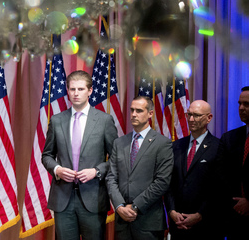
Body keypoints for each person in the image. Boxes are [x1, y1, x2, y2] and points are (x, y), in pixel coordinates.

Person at [41, 70, 118, 240]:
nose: (76, 93)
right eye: (72, 89)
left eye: (81, 89)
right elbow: (46, 155)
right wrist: (57, 169)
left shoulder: (104, 120)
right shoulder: (56, 120)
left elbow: (116, 158)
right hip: (63, 198)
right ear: (67, 91)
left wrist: (96, 171)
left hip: (93, 197)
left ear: (90, 91)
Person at [106, 96, 173, 240]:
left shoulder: (162, 143)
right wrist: (119, 206)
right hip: (122, 220)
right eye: (132, 110)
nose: (134, 114)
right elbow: (111, 177)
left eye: (139, 110)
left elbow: (162, 182)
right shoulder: (119, 142)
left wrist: (135, 206)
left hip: (148, 221)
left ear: (150, 113)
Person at [164, 100, 221, 240]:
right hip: (178, 224)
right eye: (188, 114)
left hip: (205, 226)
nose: (190, 119)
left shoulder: (218, 147)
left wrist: (200, 214)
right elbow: (169, 183)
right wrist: (171, 211)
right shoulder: (176, 146)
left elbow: (218, 188)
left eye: (196, 115)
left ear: (209, 118)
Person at [218, 86, 249, 239]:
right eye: (239, 104)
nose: (241, 108)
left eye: (247, 104)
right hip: (234, 218)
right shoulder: (229, 138)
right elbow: (222, 175)